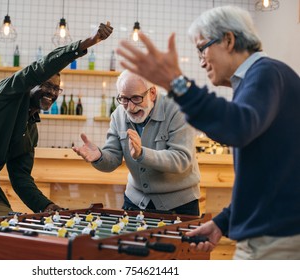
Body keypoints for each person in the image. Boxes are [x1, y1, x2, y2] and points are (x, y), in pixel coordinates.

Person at [116, 5, 300, 259]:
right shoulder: (260, 79)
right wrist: (223, 223)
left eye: (202, 47)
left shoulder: (266, 74)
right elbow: (268, 178)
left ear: (228, 40)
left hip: (276, 240)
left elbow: (237, 127)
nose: (201, 60)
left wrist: (177, 83)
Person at [0, 22, 113, 218]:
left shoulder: (30, 129)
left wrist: (45, 205)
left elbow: (20, 177)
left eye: (56, 89)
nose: (52, 93)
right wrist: (87, 43)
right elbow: (40, 67)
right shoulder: (8, 94)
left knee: (7, 229)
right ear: (30, 83)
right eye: (47, 86)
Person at [73, 70, 201, 215]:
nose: (130, 107)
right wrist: (99, 157)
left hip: (179, 204)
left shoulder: (179, 111)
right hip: (135, 201)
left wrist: (142, 154)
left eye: (136, 98)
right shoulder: (118, 115)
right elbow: (113, 158)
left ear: (152, 93)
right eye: (124, 99)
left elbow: (181, 159)